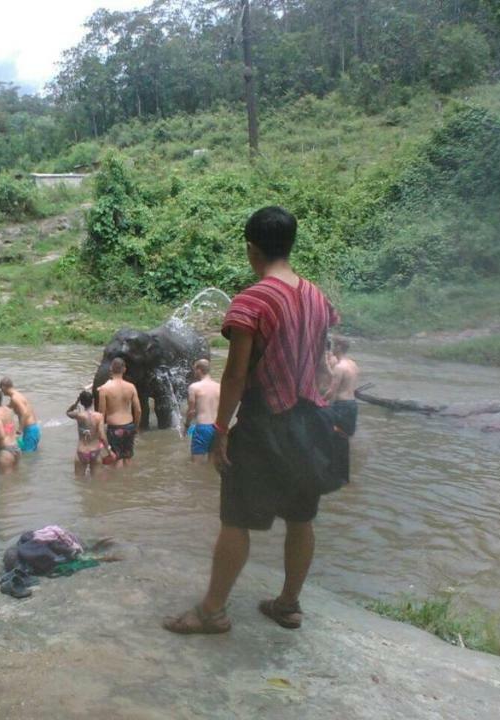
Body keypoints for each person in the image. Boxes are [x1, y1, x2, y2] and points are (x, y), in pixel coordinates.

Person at [164, 206, 344, 636]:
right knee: (302, 519)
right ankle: (288, 604)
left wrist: (220, 430)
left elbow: (237, 375)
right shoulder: (319, 297)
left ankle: (212, 611)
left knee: (236, 520)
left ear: (251, 249)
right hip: (311, 422)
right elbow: (320, 365)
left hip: (267, 423)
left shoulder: (253, 300)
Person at [98, 358, 141, 468]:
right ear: (124, 369)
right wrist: (135, 426)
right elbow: (138, 410)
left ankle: (117, 484)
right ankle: (128, 482)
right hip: (129, 426)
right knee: (127, 457)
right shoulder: (131, 387)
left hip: (114, 428)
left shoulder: (104, 389)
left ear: (111, 369)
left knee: (116, 459)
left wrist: (100, 433)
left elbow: (101, 414)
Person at [323, 338, 360, 437]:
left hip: (341, 406)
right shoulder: (353, 364)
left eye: (334, 346)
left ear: (339, 348)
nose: (332, 350)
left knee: (334, 435)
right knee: (346, 435)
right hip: (353, 404)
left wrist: (320, 402)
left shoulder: (339, 367)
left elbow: (331, 392)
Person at [186, 359, 221, 462]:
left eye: (194, 370)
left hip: (202, 427)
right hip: (217, 427)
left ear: (199, 370)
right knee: (212, 462)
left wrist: (186, 426)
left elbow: (191, 411)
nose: (194, 373)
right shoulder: (219, 386)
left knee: (196, 463)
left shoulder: (194, 387)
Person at [67, 389, 107, 475]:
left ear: (81, 403)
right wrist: (109, 450)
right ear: (93, 401)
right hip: (95, 451)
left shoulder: (78, 415)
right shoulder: (99, 416)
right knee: (96, 483)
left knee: (79, 481)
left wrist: (76, 402)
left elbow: (68, 412)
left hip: (82, 451)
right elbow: (102, 435)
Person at [1, 378, 41, 453]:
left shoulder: (15, 398)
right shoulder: (16, 395)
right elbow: (8, 407)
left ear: (4, 387)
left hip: (30, 430)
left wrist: (20, 430)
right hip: (33, 428)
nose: (1, 391)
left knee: (27, 458)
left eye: (1, 388)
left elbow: (25, 413)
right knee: (28, 455)